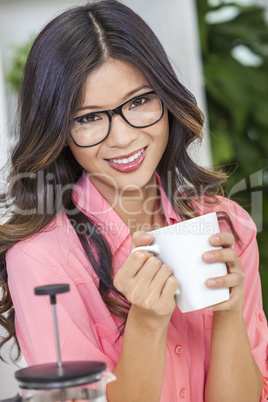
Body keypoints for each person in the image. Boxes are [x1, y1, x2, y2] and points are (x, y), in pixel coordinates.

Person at [0, 1, 267, 401]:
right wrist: (145, 322)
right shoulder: (41, 260)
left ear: (167, 97)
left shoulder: (226, 222)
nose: (122, 138)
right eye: (88, 117)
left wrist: (228, 312)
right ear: (59, 130)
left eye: (139, 101)